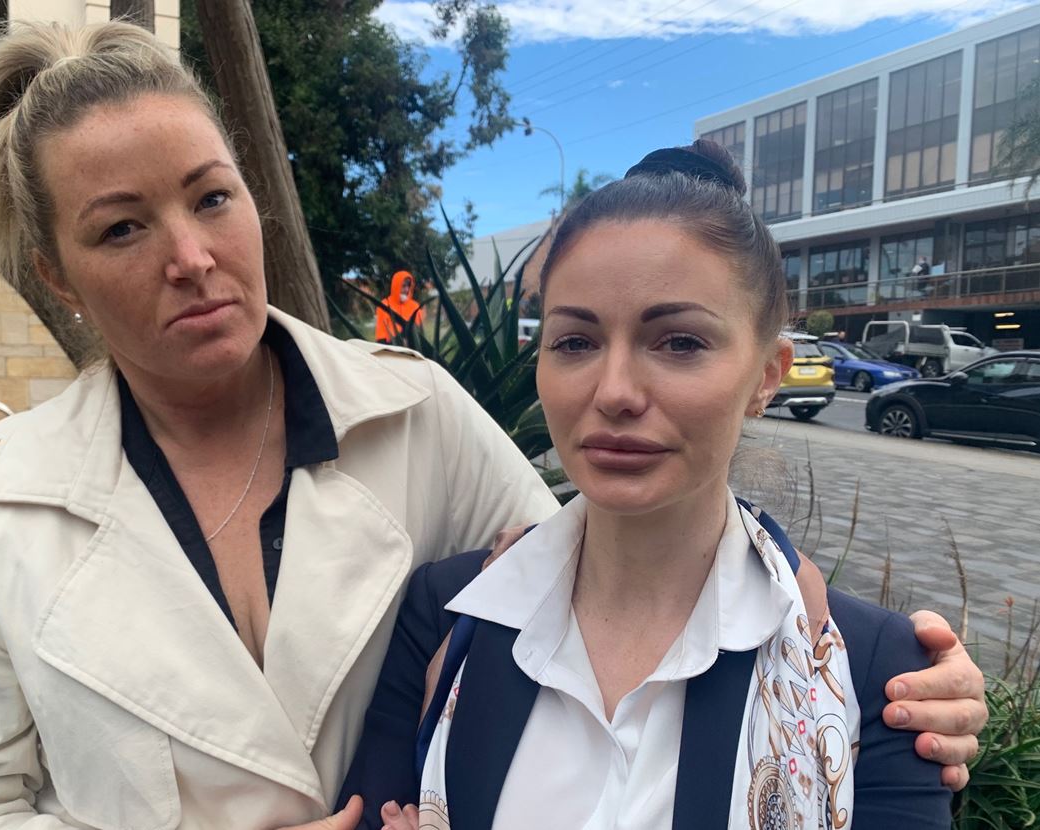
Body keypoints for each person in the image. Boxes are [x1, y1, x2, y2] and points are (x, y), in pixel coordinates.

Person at [0, 23, 984, 830]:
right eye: (122, 228)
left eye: (211, 197)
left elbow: (612, 564)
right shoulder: (3, 496)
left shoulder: (415, 415)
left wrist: (856, 662)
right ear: (56, 274)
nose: (192, 256)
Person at [342, 143, 957, 829]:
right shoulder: (446, 617)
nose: (614, 392)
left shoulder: (872, 669)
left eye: (679, 342)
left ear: (766, 375)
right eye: (575, 342)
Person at [375, 270, 425, 343]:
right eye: (403, 286)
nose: (407, 289)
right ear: (396, 286)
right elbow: (381, 334)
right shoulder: (384, 305)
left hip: (412, 346)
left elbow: (419, 333)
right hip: (391, 346)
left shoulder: (415, 306)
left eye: (408, 286)